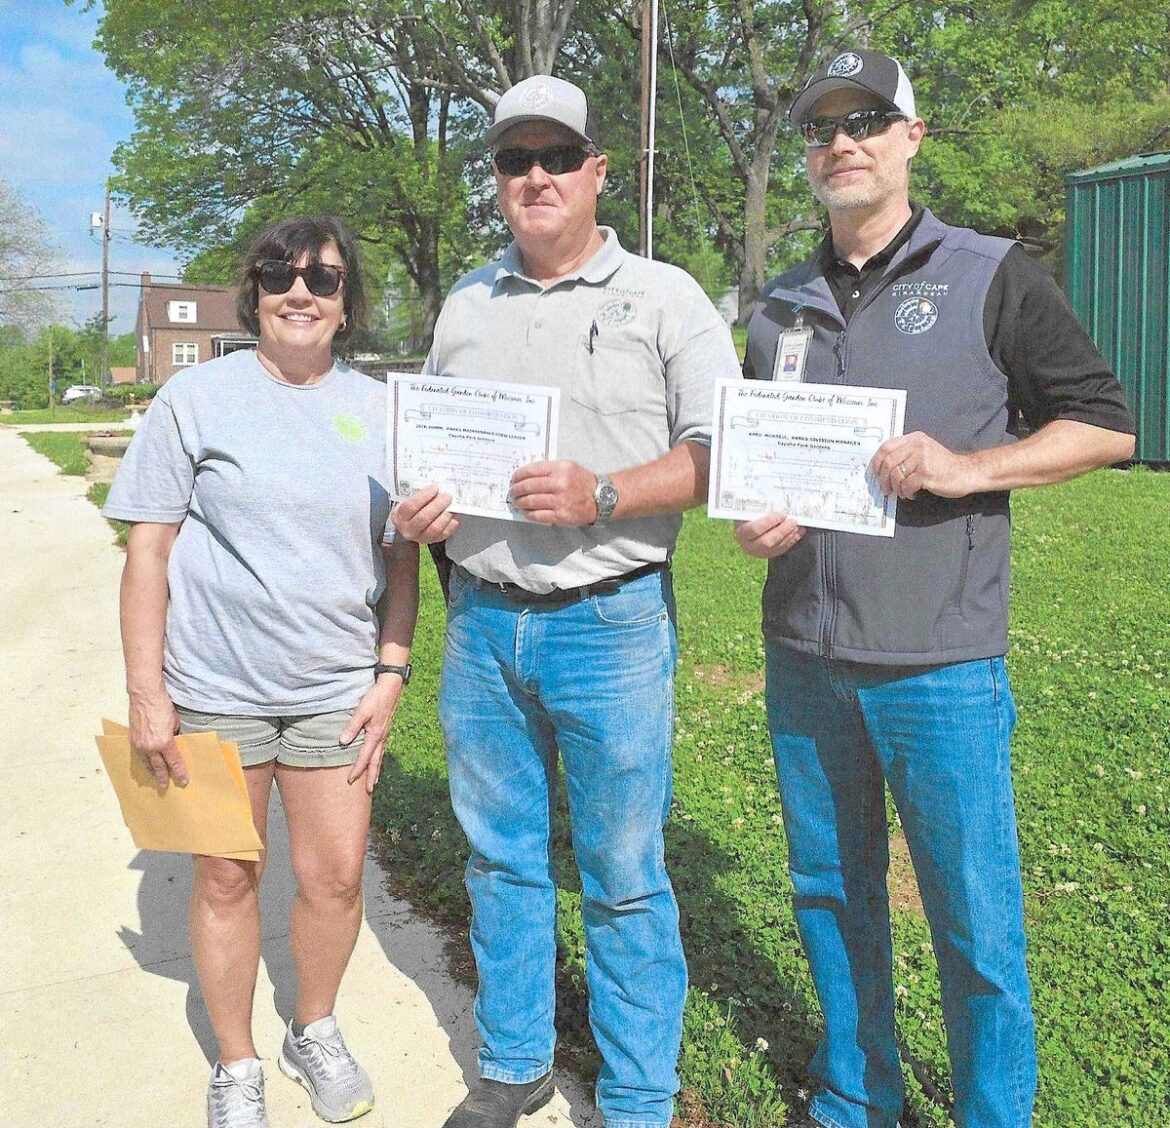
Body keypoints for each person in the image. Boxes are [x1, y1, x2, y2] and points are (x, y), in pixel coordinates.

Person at [737, 49, 1136, 1128]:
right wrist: (754, 520)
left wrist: (970, 467)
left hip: (940, 665)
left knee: (974, 923)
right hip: (806, 657)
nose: (842, 142)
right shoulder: (778, 305)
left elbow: (1107, 423)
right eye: (823, 127)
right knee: (829, 895)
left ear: (913, 137)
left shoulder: (992, 272)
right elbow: (763, 461)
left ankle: (991, 1115)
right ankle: (856, 1095)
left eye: (868, 120)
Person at [391, 75, 740, 1128]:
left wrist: (604, 493)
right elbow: (432, 450)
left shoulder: (667, 297)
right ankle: (515, 1062)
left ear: (597, 172)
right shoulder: (464, 305)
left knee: (623, 870)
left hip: (611, 620)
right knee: (499, 856)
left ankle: (636, 1096)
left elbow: (725, 457)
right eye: (513, 160)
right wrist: (424, 507)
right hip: (484, 619)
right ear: (495, 180)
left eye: (555, 158)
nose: (534, 176)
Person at [103, 216, 419, 1128]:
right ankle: (237, 1062)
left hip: (334, 693)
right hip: (214, 690)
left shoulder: (387, 409)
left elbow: (401, 559)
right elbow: (148, 553)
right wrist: (146, 691)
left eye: (323, 279)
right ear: (252, 293)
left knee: (334, 878)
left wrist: (391, 671)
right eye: (280, 273)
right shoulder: (195, 399)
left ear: (348, 302)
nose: (300, 292)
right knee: (227, 877)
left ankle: (311, 1027)